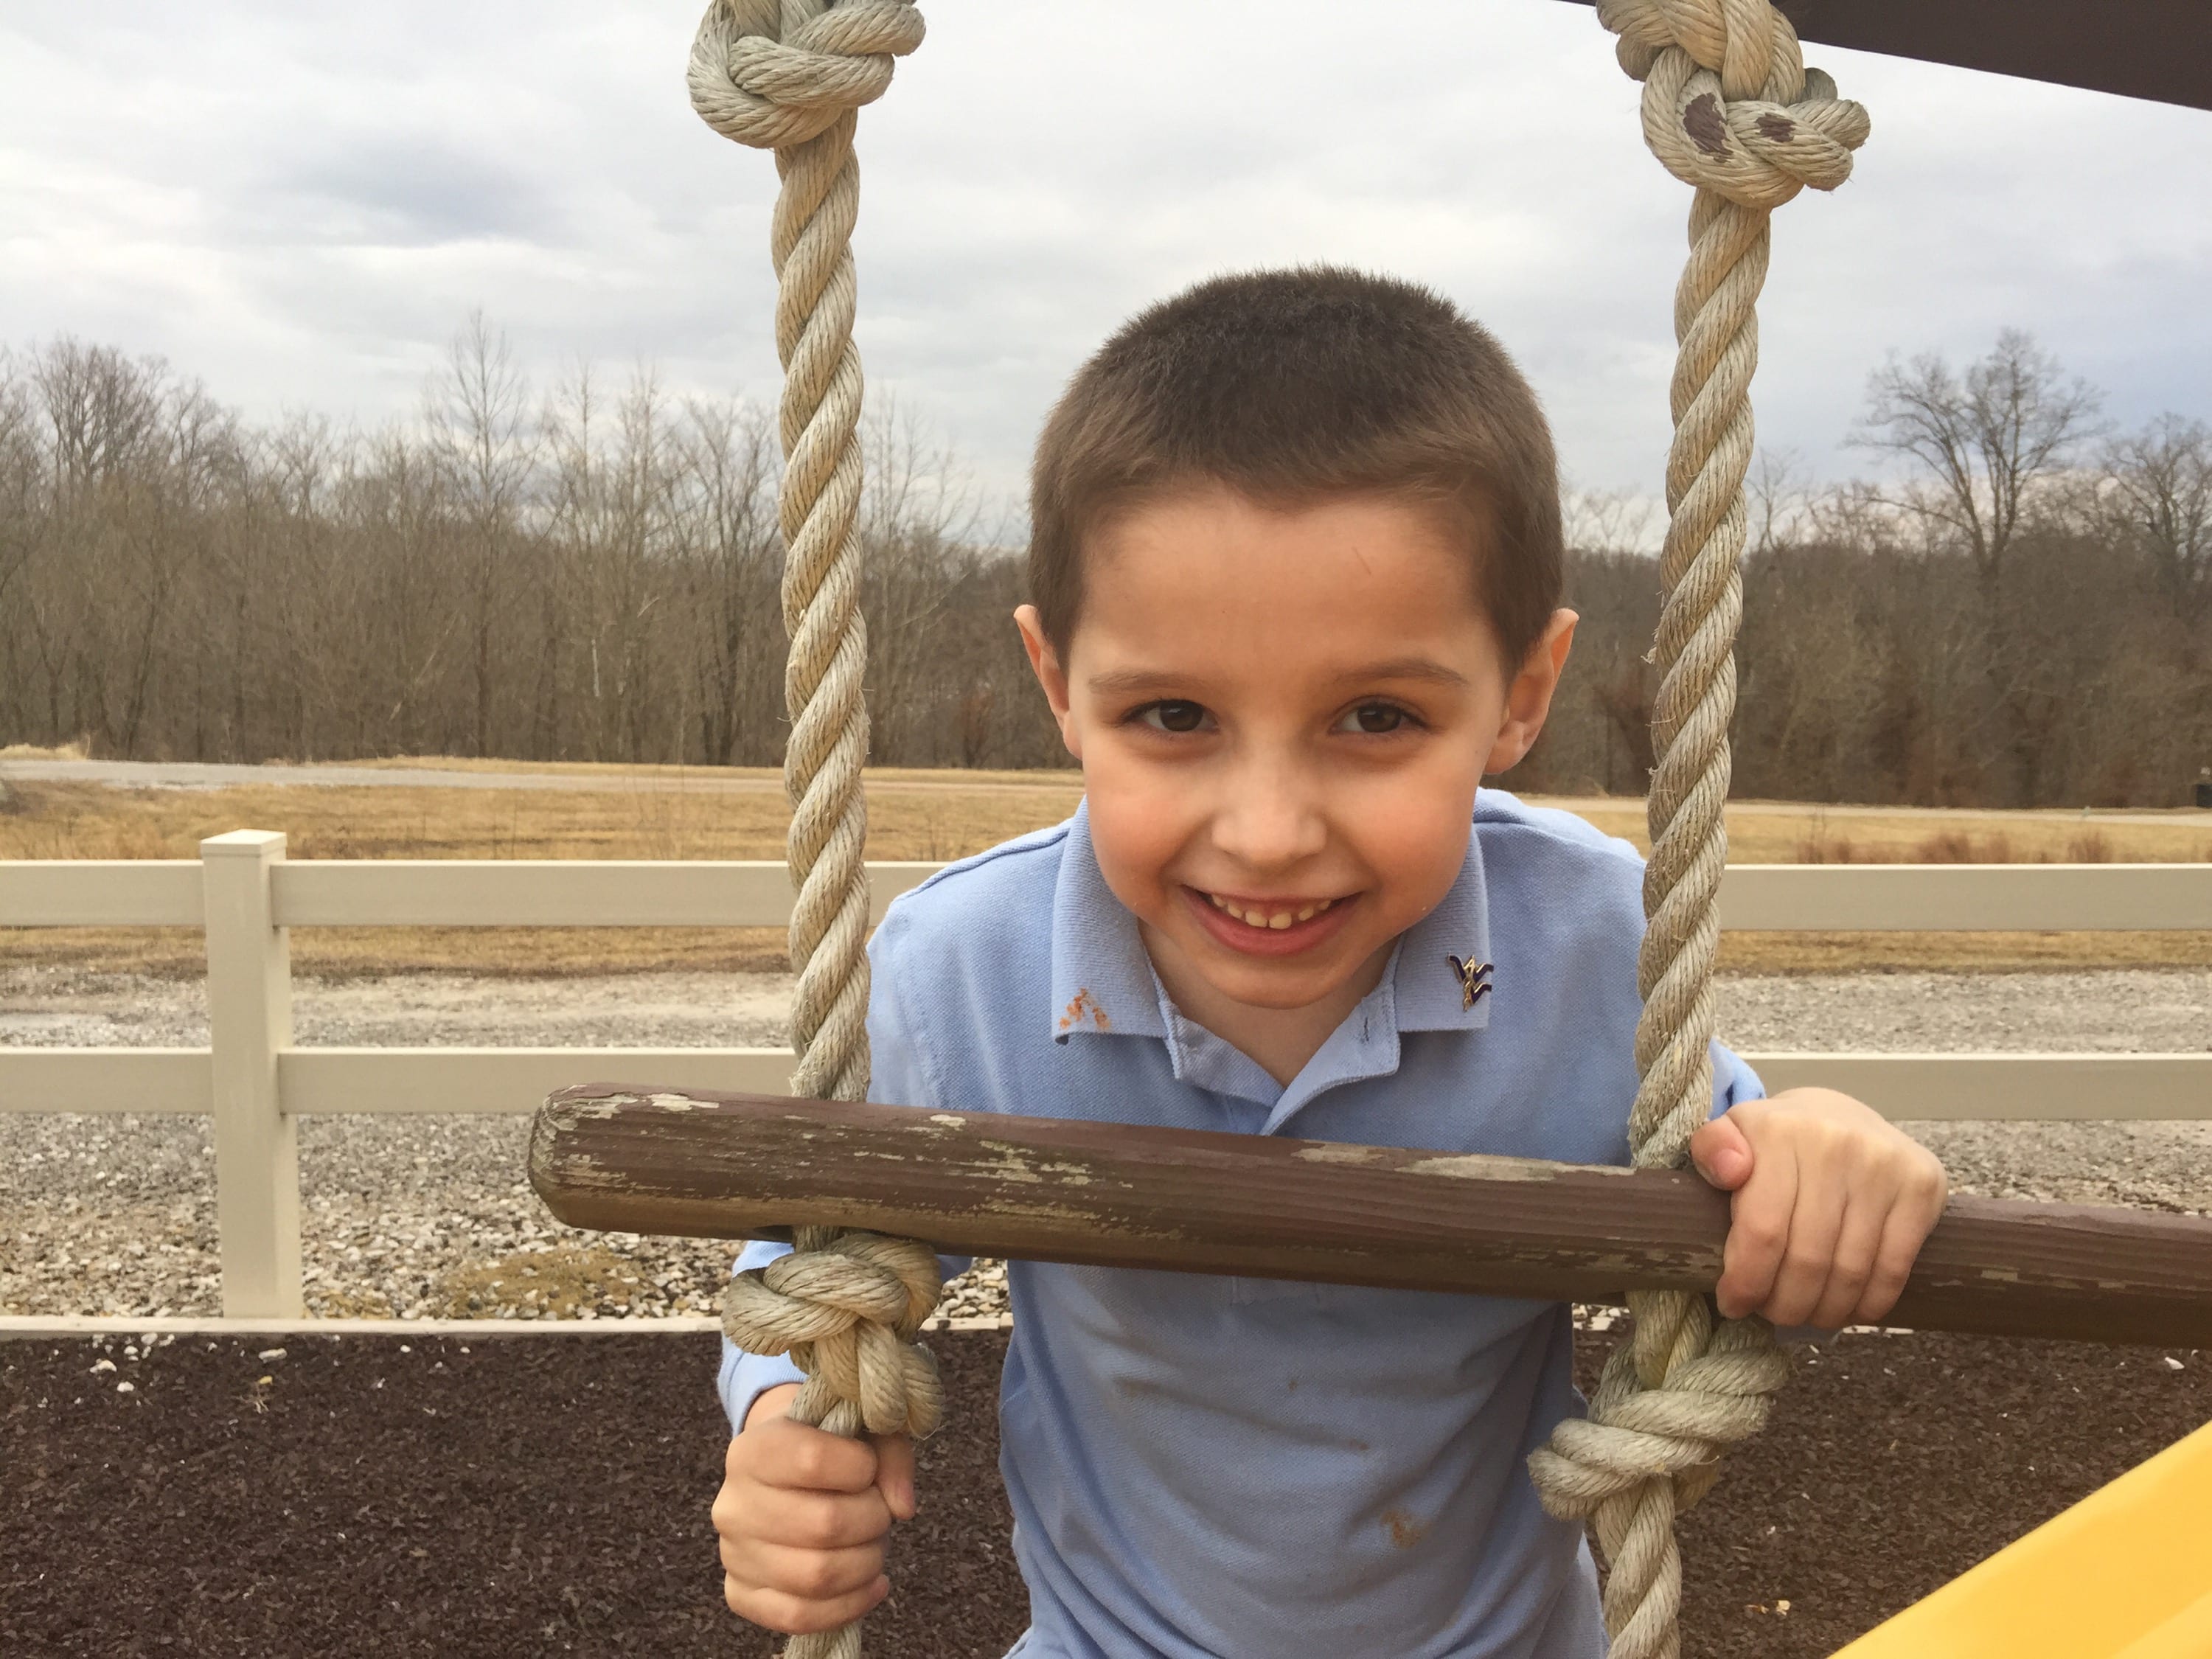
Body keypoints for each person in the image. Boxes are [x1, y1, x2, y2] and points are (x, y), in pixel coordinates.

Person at [710, 266, 1949, 1658]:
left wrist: (1826, 1144)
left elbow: (1745, 1165)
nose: (1270, 833)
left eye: (1375, 715)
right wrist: (776, 1429)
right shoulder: (968, 968)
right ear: (1059, 682)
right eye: (1174, 714)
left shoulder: (1594, 942)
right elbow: (807, 1258)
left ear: (1522, 695)